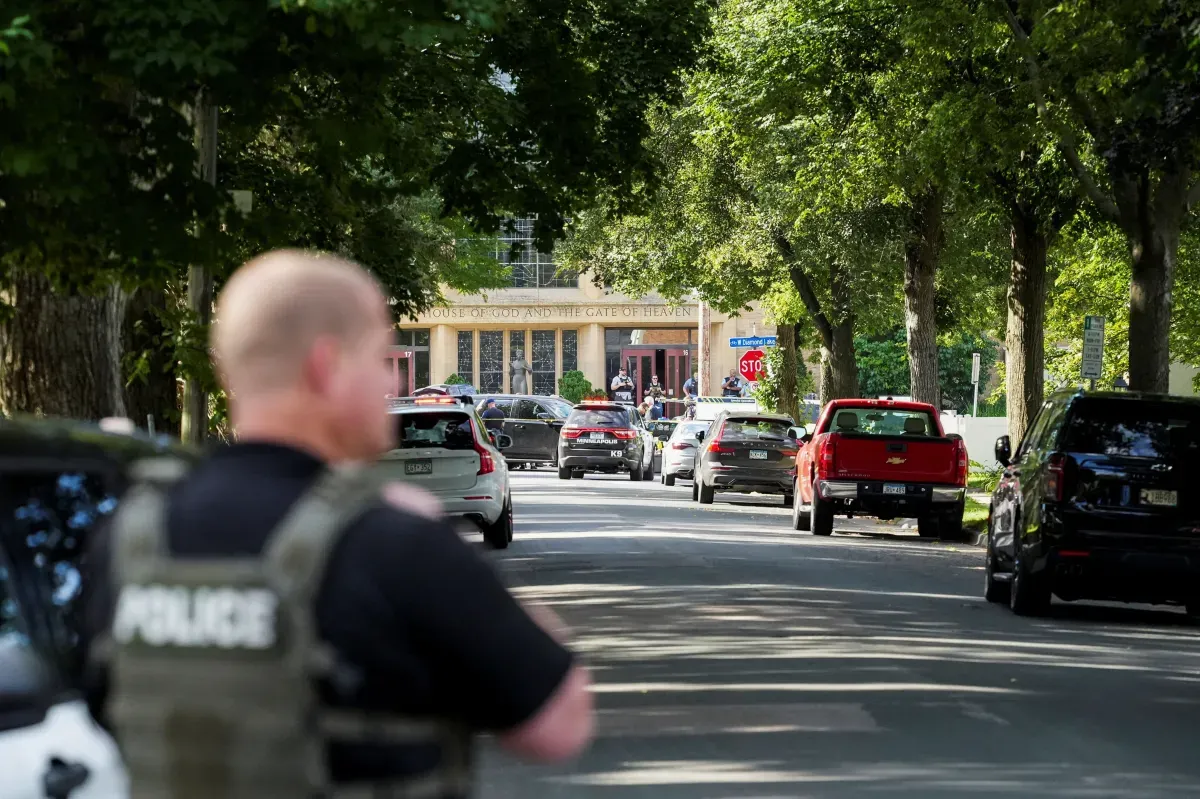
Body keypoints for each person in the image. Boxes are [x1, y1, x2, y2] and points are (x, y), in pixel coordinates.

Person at [80, 249, 593, 799]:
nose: (391, 387)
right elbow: (557, 726)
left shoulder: (130, 539)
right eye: (378, 360)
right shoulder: (393, 542)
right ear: (327, 368)